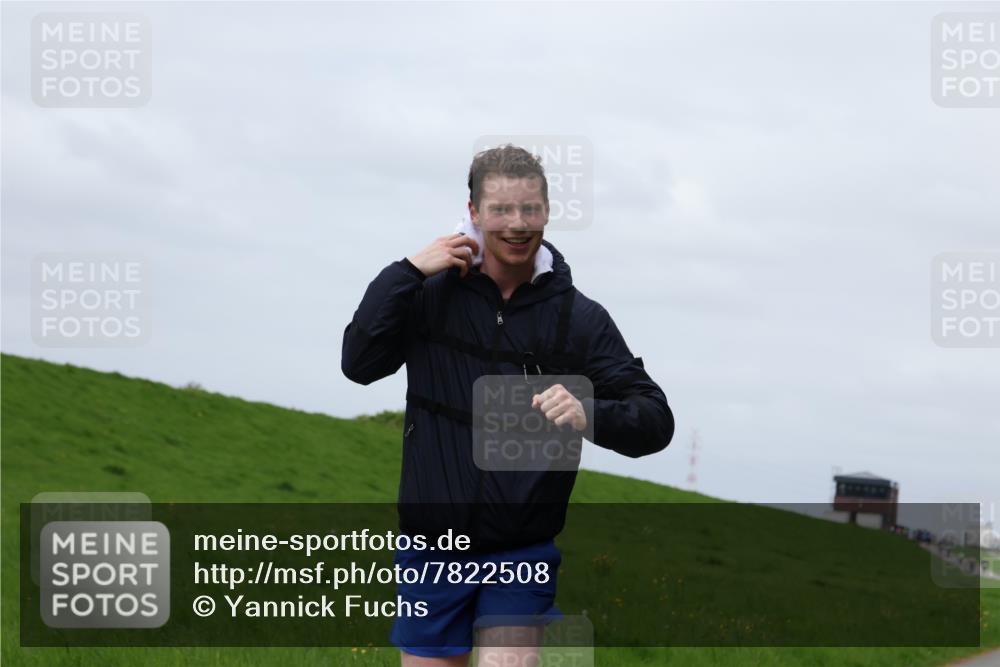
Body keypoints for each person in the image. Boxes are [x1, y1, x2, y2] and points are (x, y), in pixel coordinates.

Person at [342, 144, 675, 666]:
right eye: (501, 210)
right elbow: (358, 363)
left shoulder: (577, 317)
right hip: (432, 549)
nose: (517, 225)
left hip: (521, 552)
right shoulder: (429, 294)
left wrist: (590, 409)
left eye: (530, 209)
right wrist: (405, 271)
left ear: (546, 212)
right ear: (474, 212)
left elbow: (655, 419)